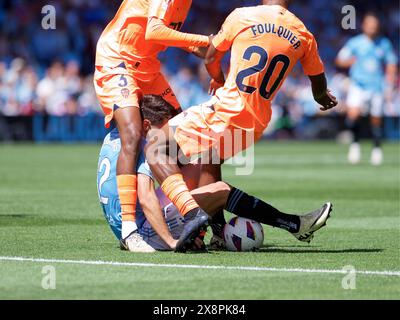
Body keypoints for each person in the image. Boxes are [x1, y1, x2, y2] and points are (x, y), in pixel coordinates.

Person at [144, 0, 338, 252]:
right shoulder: (303, 33)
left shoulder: (243, 16)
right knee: (209, 164)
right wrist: (325, 98)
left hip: (226, 110)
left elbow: (211, 57)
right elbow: (319, 88)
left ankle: (191, 214)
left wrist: (218, 78)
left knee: (157, 145)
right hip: (254, 125)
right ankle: (224, 233)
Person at [97, 95, 333, 252]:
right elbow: (147, 198)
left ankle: (218, 234)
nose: (168, 135)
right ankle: (293, 224)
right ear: (148, 125)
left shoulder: (120, 137)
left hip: (129, 226)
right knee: (220, 190)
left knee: (209, 157)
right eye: (165, 128)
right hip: (145, 233)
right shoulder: (145, 141)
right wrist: (171, 242)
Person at [94, 0, 211, 252]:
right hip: (117, 59)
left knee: (179, 136)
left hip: (145, 64)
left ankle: (185, 215)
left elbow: (170, 36)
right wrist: (204, 39)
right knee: (133, 134)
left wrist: (218, 46)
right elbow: (154, 31)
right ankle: (129, 231)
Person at [336, 12, 398, 165]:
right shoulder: (355, 43)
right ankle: (355, 145)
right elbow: (340, 60)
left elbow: (391, 63)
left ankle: (377, 149)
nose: (372, 28)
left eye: (374, 25)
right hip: (358, 84)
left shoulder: (384, 43)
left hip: (376, 86)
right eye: (369, 24)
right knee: (353, 116)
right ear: (364, 26)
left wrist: (389, 82)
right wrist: (350, 62)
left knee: (376, 120)